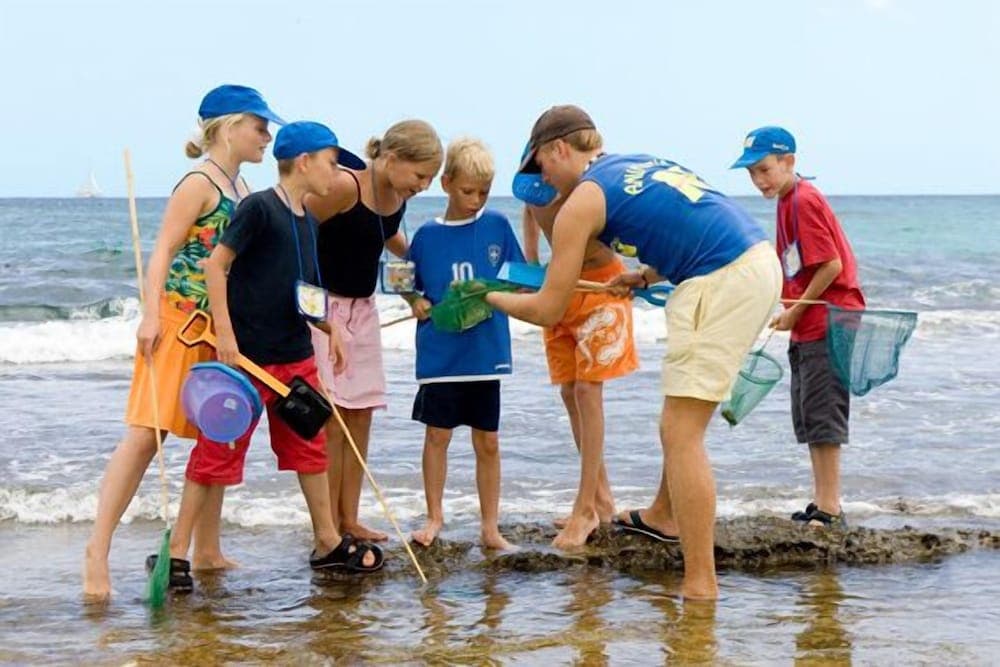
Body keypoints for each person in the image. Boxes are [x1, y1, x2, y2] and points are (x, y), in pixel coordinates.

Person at [486, 105, 782, 600]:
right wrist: (645, 275)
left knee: (680, 432)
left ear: (558, 149)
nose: (544, 182)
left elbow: (548, 308)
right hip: (754, 261)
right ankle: (663, 514)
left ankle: (701, 584)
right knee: (680, 417)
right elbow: (688, 224)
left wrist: (489, 297)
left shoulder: (582, 200)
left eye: (541, 167)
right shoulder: (634, 163)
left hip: (722, 279)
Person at [82, 84, 284, 601]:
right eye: (260, 126)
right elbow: (162, 252)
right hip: (179, 323)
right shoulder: (198, 183)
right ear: (230, 127)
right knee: (147, 435)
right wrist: (150, 316)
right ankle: (97, 552)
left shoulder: (241, 186)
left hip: (222, 329)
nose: (266, 137)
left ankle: (209, 548)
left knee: (217, 435)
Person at [164, 121, 384, 590]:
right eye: (331, 164)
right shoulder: (259, 208)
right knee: (216, 450)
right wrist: (225, 335)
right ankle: (177, 553)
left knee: (310, 446)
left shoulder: (308, 220)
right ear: (304, 162)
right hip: (246, 361)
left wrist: (329, 328)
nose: (337, 174)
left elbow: (303, 289)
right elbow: (216, 266)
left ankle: (327, 541)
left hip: (295, 357)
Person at [306, 120, 443, 542]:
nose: (423, 185)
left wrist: (420, 281)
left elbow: (386, 239)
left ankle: (350, 518)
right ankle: (328, 526)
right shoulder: (345, 187)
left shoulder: (395, 198)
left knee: (361, 413)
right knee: (332, 419)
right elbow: (295, 228)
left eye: (430, 179)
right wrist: (305, 306)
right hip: (325, 309)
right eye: (420, 175)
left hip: (363, 310)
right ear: (392, 158)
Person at [731, 126, 865, 528]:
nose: (759, 180)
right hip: (808, 319)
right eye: (751, 173)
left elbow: (831, 265)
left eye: (764, 169)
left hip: (829, 318)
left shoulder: (804, 199)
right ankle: (822, 501)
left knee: (824, 413)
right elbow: (795, 265)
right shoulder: (786, 200)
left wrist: (795, 311)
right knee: (809, 414)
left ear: (789, 161)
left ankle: (830, 508)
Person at [404, 138, 524, 550]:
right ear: (447, 183)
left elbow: (516, 278)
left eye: (484, 193)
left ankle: (490, 527)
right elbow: (405, 280)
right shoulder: (427, 235)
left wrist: (514, 288)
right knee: (437, 436)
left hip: (484, 355)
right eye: (467, 191)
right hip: (441, 357)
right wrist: (414, 301)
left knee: (487, 440)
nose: (475, 201)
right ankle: (434, 517)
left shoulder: (497, 226)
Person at [517, 170, 639, 550]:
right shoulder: (531, 175)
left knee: (588, 391)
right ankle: (601, 500)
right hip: (560, 285)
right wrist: (531, 260)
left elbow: (626, 223)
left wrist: (642, 276)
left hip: (602, 285)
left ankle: (585, 508)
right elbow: (530, 209)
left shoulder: (587, 179)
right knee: (569, 392)